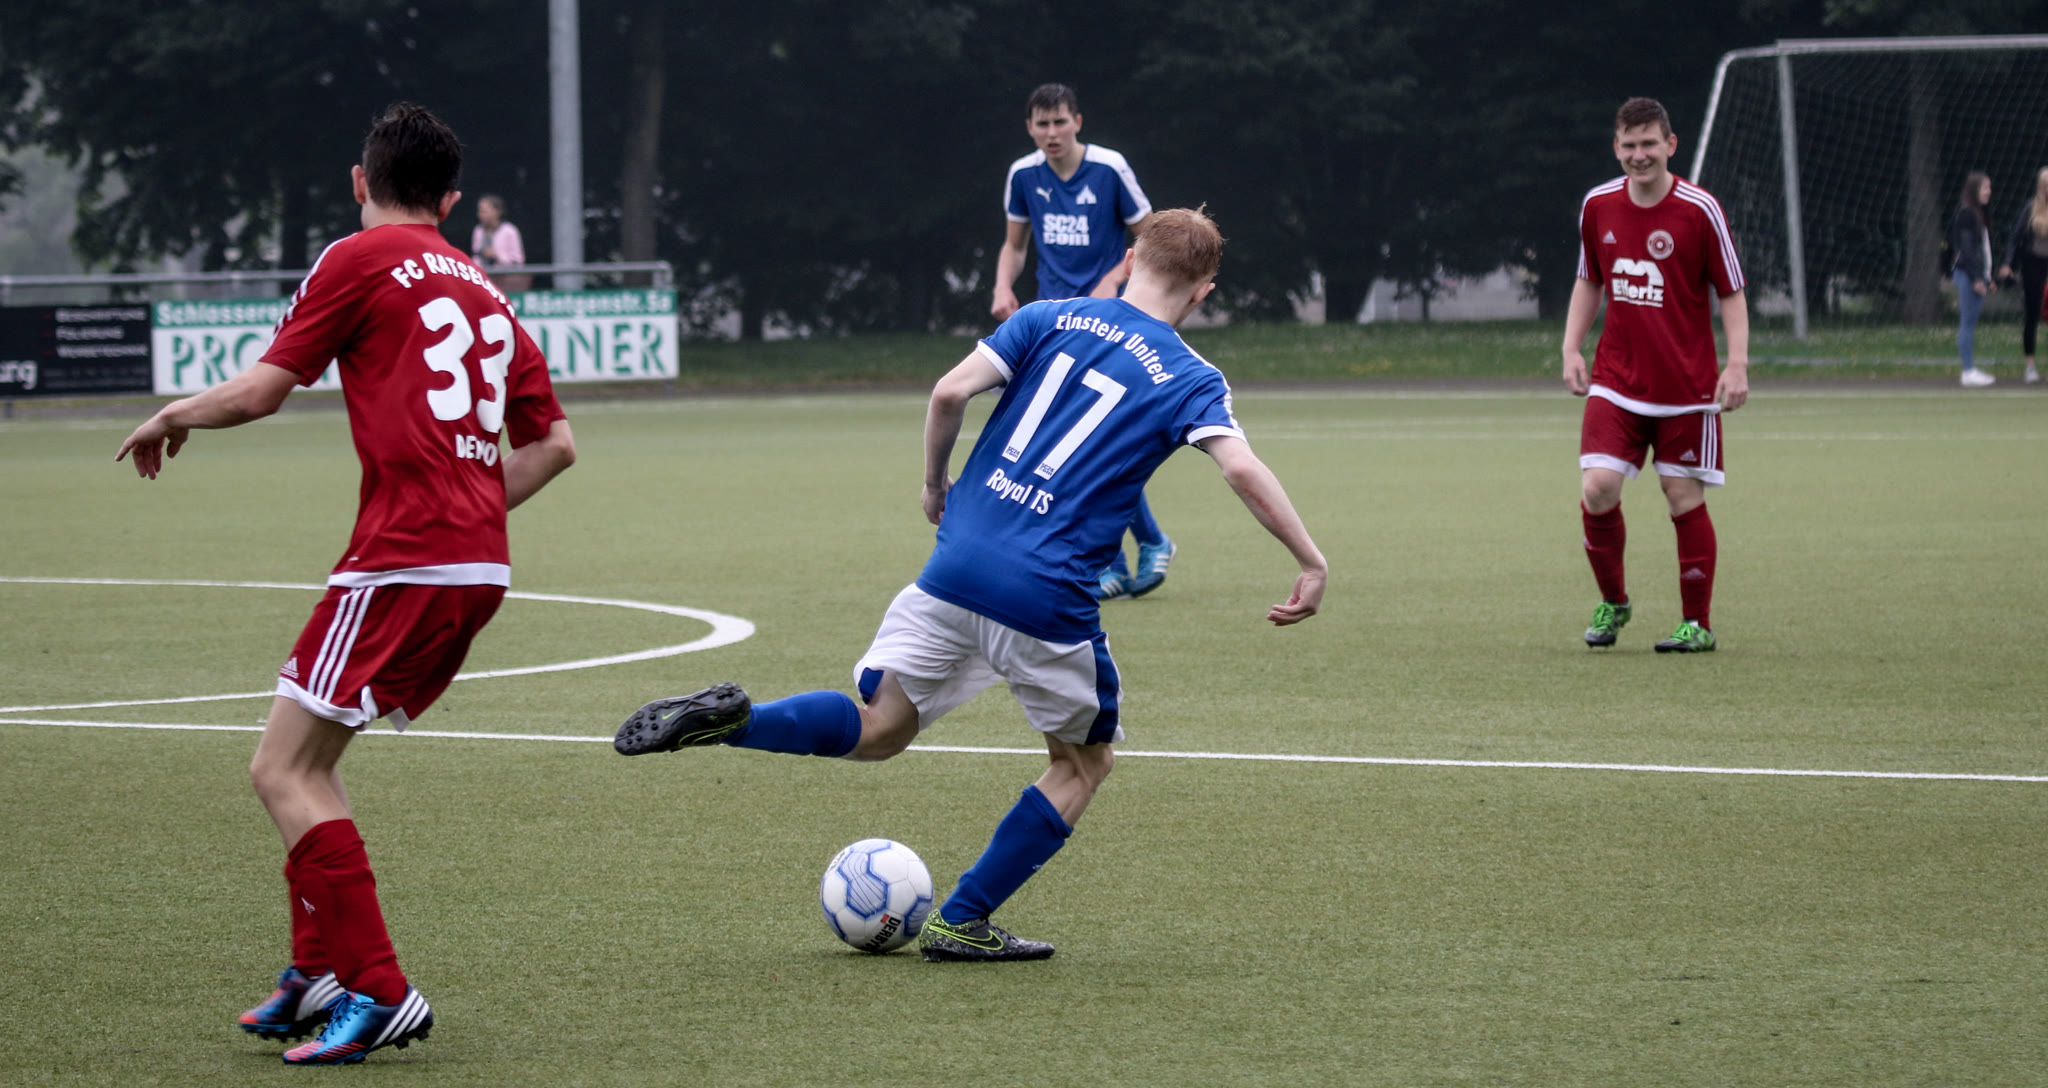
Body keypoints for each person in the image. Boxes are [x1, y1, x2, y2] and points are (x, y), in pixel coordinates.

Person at [616, 208, 1326, 961]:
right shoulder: (1191, 376)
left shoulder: (1047, 316)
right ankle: (962, 919)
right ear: (1204, 292)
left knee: (880, 728)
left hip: (954, 566)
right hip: (1045, 596)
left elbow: (949, 394)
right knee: (1082, 764)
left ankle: (736, 722)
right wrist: (1311, 561)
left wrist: (934, 484)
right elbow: (1240, 468)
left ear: (1128, 261)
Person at [115, 103, 577, 1065]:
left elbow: (262, 390)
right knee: (311, 764)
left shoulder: (355, 259)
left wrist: (173, 412)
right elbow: (555, 446)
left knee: (281, 770)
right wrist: (470, 508)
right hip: (476, 563)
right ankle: (316, 971)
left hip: (408, 555)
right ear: (450, 201)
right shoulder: (486, 289)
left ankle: (379, 988)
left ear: (360, 182)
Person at [1562, 96, 1748, 654]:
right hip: (1616, 378)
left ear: (1670, 145)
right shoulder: (1598, 204)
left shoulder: (1700, 209)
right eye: (1629, 145)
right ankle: (1614, 601)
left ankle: (1697, 624)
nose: (1639, 155)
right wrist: (1571, 348)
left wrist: (1737, 364)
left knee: (1681, 493)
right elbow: (1589, 279)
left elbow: (1731, 290)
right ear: (1615, 148)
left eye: (1648, 143)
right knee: (1597, 487)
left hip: (1686, 386)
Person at [990, 82, 1175, 601]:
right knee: (1075, 442)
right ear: (1030, 128)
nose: (1052, 132)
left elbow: (1152, 238)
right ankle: (1127, 554)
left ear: (1077, 122)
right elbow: (1014, 246)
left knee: (1092, 437)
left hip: (1113, 319)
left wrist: (1113, 279)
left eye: (1060, 122)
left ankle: (1139, 547)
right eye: (1042, 124)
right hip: (1056, 322)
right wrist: (1003, 285)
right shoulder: (1023, 175)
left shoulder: (1109, 168)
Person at [1997, 166, 2048, 386]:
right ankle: (2030, 366)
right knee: (2032, 315)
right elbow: (2015, 237)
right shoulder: (2030, 208)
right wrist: (2007, 264)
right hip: (2033, 265)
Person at [1953, 171, 1998, 388]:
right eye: (1985, 188)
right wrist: (1976, 278)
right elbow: (1967, 249)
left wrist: (1987, 277)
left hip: (1977, 275)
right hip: (1968, 275)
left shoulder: (1979, 213)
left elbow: (1983, 249)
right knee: (1967, 323)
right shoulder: (1966, 214)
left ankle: (1969, 369)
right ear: (1974, 190)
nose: (1989, 191)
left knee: (1970, 322)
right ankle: (1968, 371)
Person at [470, 194, 531, 292]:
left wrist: (497, 256)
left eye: (484, 211)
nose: (481, 214)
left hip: (506, 281)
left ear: (497, 212)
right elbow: (476, 255)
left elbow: (518, 260)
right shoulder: (478, 230)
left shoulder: (509, 231)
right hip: (484, 279)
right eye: (480, 211)